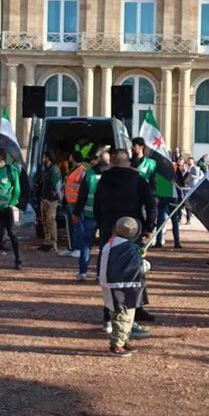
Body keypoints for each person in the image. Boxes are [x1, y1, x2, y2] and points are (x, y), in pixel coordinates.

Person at [94, 149, 157, 334]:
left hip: (109, 231)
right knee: (133, 275)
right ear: (128, 162)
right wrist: (148, 227)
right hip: (132, 231)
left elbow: (97, 205)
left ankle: (109, 316)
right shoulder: (137, 179)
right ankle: (129, 317)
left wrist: (102, 225)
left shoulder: (104, 179)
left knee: (109, 274)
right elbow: (151, 204)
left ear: (112, 162)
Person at [100, 216, 149, 358]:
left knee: (118, 314)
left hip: (110, 285)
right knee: (124, 316)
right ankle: (117, 344)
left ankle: (123, 339)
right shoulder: (128, 248)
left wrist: (138, 254)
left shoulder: (111, 244)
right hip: (123, 288)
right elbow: (136, 267)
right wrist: (145, 263)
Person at [71, 149, 106, 282]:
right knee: (103, 246)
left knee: (86, 244)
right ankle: (100, 273)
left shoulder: (89, 174)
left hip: (89, 214)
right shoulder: (109, 174)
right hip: (104, 216)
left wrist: (76, 212)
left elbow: (82, 196)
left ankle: (83, 272)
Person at [0, 148, 23, 269]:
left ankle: (18, 260)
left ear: (2, 157)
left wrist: (11, 202)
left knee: (11, 233)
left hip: (6, 208)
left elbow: (17, 189)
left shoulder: (11, 171)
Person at [37, 150, 61, 252]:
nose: (42, 159)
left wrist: (50, 198)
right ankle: (47, 242)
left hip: (51, 200)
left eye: (44, 157)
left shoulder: (54, 170)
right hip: (44, 198)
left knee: (50, 221)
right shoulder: (46, 169)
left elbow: (57, 186)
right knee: (45, 221)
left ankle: (53, 243)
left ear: (48, 158)